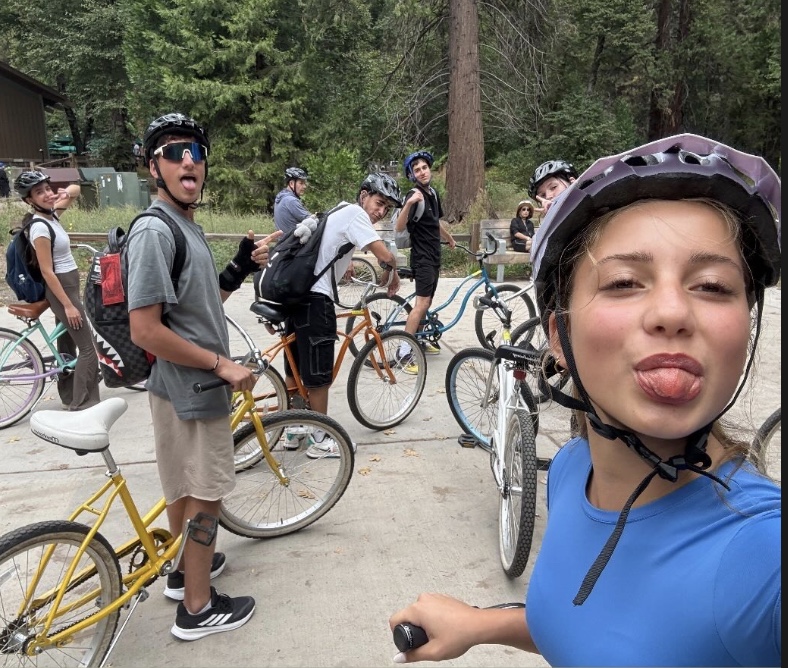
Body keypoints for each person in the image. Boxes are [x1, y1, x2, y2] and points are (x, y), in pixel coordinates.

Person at [389, 134, 781, 666]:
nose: (673, 312)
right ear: (559, 336)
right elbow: (601, 627)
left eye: (712, 286)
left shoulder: (765, 556)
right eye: (624, 282)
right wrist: (481, 624)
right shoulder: (572, 469)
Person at [126, 113, 278, 641]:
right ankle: (197, 607)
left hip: (182, 386)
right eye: (173, 151)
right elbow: (145, 329)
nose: (188, 159)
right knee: (206, 495)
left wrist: (240, 267)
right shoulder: (155, 230)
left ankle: (183, 572)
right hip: (193, 387)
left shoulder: (182, 224)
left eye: (195, 151)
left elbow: (199, 304)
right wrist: (221, 364)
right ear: (154, 168)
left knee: (182, 487)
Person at [281, 172, 402, 456]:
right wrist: (394, 271)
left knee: (295, 367)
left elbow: (331, 243)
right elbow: (384, 255)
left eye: (386, 208)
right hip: (316, 299)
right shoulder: (356, 214)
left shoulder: (339, 209)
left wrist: (345, 263)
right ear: (364, 195)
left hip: (297, 294)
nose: (381, 212)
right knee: (319, 376)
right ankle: (320, 439)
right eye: (379, 203)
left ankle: (293, 429)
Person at [13, 170, 100, 412]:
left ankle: (68, 396)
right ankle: (82, 403)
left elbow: (76, 190)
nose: (46, 194)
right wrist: (69, 305)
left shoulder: (51, 216)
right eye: (39, 192)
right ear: (29, 200)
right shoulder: (40, 228)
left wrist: (62, 194)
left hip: (68, 285)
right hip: (61, 289)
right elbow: (47, 271)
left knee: (66, 347)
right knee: (88, 349)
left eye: (47, 189)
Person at [393, 150, 456, 358]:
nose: (422, 172)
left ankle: (417, 339)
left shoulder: (433, 194)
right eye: (417, 170)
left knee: (426, 303)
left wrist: (449, 238)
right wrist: (409, 203)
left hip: (434, 256)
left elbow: (434, 222)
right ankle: (404, 351)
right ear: (412, 175)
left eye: (424, 168)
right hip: (422, 258)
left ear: (429, 169)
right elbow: (399, 227)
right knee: (421, 304)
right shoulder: (414, 195)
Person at [274, 167, 312, 235]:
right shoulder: (291, 200)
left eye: (304, 183)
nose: (304, 186)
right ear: (291, 183)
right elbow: (310, 220)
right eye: (301, 183)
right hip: (294, 241)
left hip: (284, 240)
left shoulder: (281, 197)